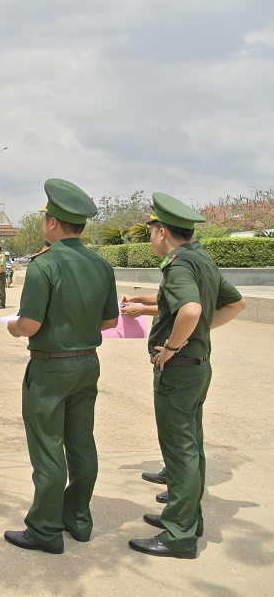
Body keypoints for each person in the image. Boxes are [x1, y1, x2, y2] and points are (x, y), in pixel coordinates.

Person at [3, 178, 119, 555]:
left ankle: (45, 529)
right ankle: (78, 519)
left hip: (51, 369)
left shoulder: (44, 264)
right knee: (82, 443)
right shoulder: (102, 265)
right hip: (87, 364)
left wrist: (13, 327)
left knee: (48, 447)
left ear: (52, 222)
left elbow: (29, 325)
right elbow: (109, 322)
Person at [127, 193, 245, 559]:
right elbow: (236, 303)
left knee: (179, 451)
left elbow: (191, 310)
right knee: (191, 447)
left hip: (178, 371)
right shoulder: (201, 259)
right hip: (198, 366)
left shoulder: (179, 265)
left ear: (162, 232)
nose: (151, 237)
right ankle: (188, 519)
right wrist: (196, 335)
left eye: (151, 231)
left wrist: (172, 346)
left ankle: (179, 536)